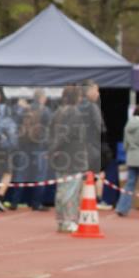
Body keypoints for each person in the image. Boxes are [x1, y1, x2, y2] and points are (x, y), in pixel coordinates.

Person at [50, 85, 87, 233]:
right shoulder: (74, 114)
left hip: (61, 157)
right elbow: (65, 134)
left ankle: (61, 220)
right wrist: (54, 149)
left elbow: (52, 133)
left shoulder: (58, 112)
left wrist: (52, 150)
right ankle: (68, 220)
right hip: (72, 157)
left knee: (62, 190)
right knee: (70, 192)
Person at [79, 80, 110, 207]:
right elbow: (100, 128)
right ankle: (94, 201)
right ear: (89, 90)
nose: (98, 93)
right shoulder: (92, 107)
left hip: (81, 148)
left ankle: (83, 205)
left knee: (84, 178)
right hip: (92, 148)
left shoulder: (78, 105)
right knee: (91, 176)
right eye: (96, 90)